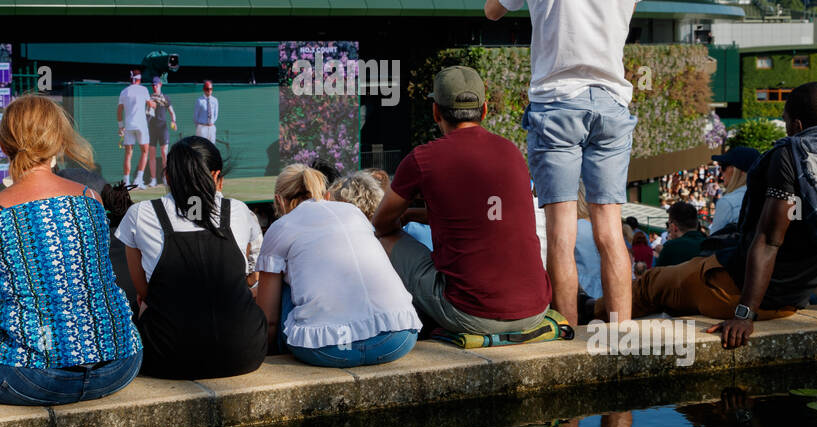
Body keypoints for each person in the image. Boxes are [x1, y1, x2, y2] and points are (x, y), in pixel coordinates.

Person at [594, 83, 817, 348]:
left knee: (653, 284)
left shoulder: (790, 156)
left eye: (783, 121)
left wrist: (745, 315)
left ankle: (589, 314)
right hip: (792, 302)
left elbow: (768, 241)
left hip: (735, 292)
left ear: (795, 124)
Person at [484, 0, 647, 326]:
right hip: (613, 102)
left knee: (559, 231)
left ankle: (567, 333)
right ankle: (620, 333)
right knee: (609, 231)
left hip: (556, 102)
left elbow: (493, 10)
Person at [0, 94, 142, 406]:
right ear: (57, 144)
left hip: (36, 377)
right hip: (120, 363)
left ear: (4, 146)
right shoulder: (90, 198)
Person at [372, 66, 551, 336]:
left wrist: (406, 216)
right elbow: (482, 215)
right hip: (536, 311)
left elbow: (382, 224)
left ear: (436, 112)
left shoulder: (423, 158)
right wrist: (416, 215)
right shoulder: (511, 151)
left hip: (470, 315)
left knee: (385, 241)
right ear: (485, 109)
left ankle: (393, 329)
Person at [116, 136, 266, 379]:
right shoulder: (239, 210)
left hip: (165, 359)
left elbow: (143, 290)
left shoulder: (139, 214)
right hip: (244, 354)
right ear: (217, 177)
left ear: (167, 176)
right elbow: (253, 276)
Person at [256, 165, 421, 367]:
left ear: (278, 201)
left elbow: (269, 319)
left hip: (330, 349)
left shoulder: (280, 228)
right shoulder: (353, 212)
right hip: (398, 338)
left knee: (282, 281)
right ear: (326, 195)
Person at [708, 147, 759, 234]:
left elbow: (713, 242)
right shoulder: (766, 197)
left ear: (737, 171)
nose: (720, 171)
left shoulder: (727, 202)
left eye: (723, 167)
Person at [118, 71, 152, 188]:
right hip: (141, 125)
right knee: (145, 151)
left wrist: (120, 126)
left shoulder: (124, 91)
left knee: (128, 153)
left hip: (128, 125)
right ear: (139, 79)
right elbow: (150, 104)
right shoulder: (143, 90)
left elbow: (119, 110)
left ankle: (126, 182)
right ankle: (138, 180)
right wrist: (153, 104)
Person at [655, 201, 706, 268]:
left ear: (674, 227)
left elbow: (657, 276)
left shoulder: (670, 247)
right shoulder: (710, 244)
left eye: (668, 223)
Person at [146, 76, 177, 187]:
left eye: (156, 84)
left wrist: (174, 121)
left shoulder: (166, 98)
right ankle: (153, 179)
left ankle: (165, 178)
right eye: (153, 85)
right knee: (152, 155)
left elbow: (172, 112)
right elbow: (146, 114)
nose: (154, 87)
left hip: (163, 129)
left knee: (164, 154)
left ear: (160, 85)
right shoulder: (149, 99)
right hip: (151, 130)